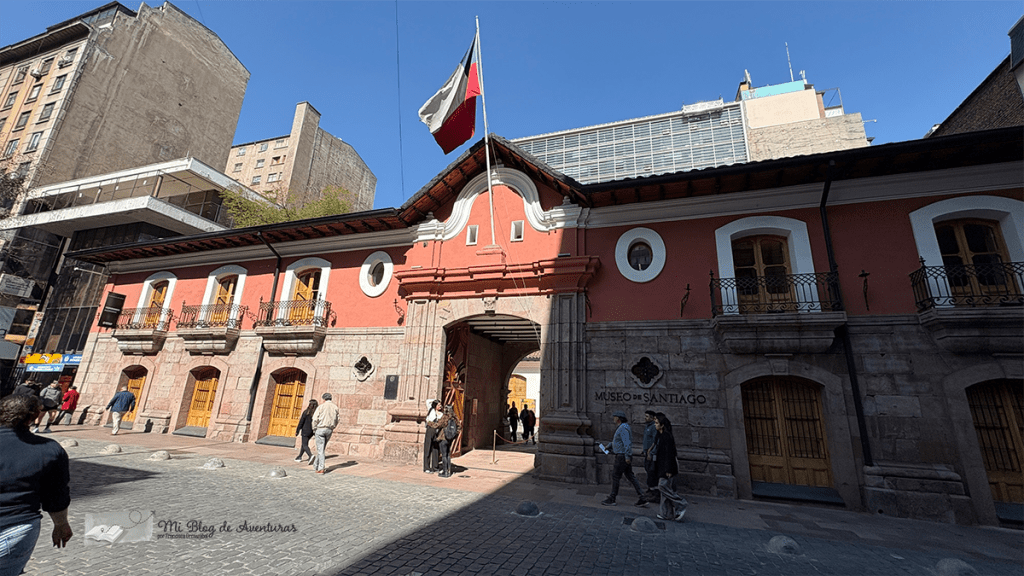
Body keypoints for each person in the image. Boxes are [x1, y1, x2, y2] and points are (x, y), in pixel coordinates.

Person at [0, 395, 73, 576]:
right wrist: (61, 525)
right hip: (17, 527)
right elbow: (56, 495)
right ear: (34, 417)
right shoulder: (49, 449)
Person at [602, 410, 646, 507]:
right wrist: (609, 446)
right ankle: (642, 497)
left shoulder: (623, 428)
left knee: (615, 476)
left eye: (614, 417)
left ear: (618, 418)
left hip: (622, 456)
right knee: (630, 476)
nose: (613, 418)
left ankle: (612, 498)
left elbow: (627, 444)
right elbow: (619, 442)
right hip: (623, 455)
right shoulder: (622, 427)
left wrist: (627, 456)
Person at [652, 413, 688, 522]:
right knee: (664, 492)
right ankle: (666, 513)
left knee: (662, 486)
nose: (655, 425)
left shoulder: (667, 436)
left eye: (657, 423)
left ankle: (681, 503)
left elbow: (670, 454)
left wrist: (668, 469)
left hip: (667, 468)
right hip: (662, 466)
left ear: (662, 425)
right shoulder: (660, 435)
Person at [311, 392, 339, 474]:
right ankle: (316, 465)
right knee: (321, 449)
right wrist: (333, 426)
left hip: (321, 428)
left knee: (320, 449)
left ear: (323, 399)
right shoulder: (335, 407)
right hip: (329, 429)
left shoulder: (321, 406)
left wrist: (314, 428)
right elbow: (337, 419)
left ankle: (321, 467)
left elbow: (315, 418)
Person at [641, 410, 660, 504]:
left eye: (647, 416)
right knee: (648, 471)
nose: (645, 418)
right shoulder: (647, 427)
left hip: (652, 455)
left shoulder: (653, 427)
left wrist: (650, 452)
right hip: (646, 453)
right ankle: (650, 490)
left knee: (652, 473)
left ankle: (655, 493)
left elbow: (655, 441)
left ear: (652, 418)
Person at [436, 404, 459, 478]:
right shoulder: (455, 418)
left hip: (443, 438)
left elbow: (438, 425)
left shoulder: (445, 417)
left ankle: (445, 471)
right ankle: (449, 471)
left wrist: (429, 422)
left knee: (444, 455)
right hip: (450, 439)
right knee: (448, 454)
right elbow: (459, 427)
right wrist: (454, 435)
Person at [294, 398, 318, 464]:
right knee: (304, 443)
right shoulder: (316, 413)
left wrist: (297, 430)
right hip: (312, 431)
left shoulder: (306, 412)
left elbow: (301, 422)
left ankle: (310, 455)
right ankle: (299, 456)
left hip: (305, 430)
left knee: (305, 444)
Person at [423, 399, 442, 473]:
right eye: (438, 405)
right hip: (430, 430)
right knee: (428, 448)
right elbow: (427, 401)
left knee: (436, 449)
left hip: (436, 431)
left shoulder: (441, 414)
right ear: (435, 405)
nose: (440, 406)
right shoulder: (431, 410)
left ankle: (435, 467)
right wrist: (435, 400)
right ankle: (426, 467)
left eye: (440, 405)